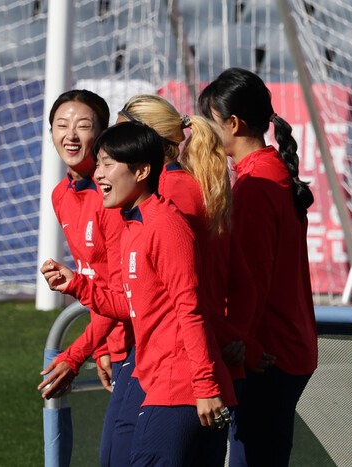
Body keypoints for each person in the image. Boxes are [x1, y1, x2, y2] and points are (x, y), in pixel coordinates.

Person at [42, 121, 236, 466]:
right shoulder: (134, 224)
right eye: (98, 163)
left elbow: (188, 312)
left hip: (182, 389)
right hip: (170, 384)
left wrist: (205, 387)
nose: (99, 173)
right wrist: (76, 284)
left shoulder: (165, 225)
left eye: (108, 164)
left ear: (143, 170)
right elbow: (132, 305)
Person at [199, 67, 318, 467]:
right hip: (285, 347)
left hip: (268, 355)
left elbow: (253, 279)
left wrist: (243, 347)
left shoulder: (253, 187)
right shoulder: (272, 172)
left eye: (210, 123)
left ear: (232, 123)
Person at [117, 94, 257, 381]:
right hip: (204, 353)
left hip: (178, 362)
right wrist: (235, 341)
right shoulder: (197, 187)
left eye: (122, 136)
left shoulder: (166, 198)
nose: (113, 148)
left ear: (147, 140)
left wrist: (232, 342)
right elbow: (242, 285)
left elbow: (181, 298)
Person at [36, 89, 138, 467]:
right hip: (116, 339)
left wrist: (77, 355)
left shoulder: (113, 192)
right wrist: (103, 347)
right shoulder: (61, 194)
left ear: (104, 133)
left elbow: (120, 288)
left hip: (144, 340)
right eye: (61, 125)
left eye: (83, 126)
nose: (71, 135)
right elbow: (96, 279)